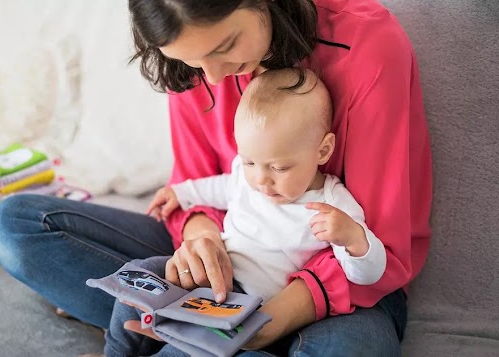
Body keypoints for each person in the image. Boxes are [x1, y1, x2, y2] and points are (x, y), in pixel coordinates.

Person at [0, 0, 432, 355]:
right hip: (229, 264)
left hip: (346, 287)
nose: (213, 77)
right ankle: (196, 331)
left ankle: (197, 337)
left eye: (224, 47)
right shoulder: (195, 63)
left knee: (351, 350)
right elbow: (197, 185)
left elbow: (379, 247)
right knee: (14, 227)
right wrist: (202, 242)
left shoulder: (369, 47)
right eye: (193, 61)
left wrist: (270, 319)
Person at [101, 67, 389, 356]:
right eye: (249, 162)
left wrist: (353, 239)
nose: (261, 180)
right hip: (211, 275)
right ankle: (115, 352)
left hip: (251, 306)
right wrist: (182, 192)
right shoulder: (249, 175)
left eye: (279, 167)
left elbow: (368, 274)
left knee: (190, 349)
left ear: (323, 151)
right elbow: (222, 187)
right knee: (138, 275)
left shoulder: (331, 203)